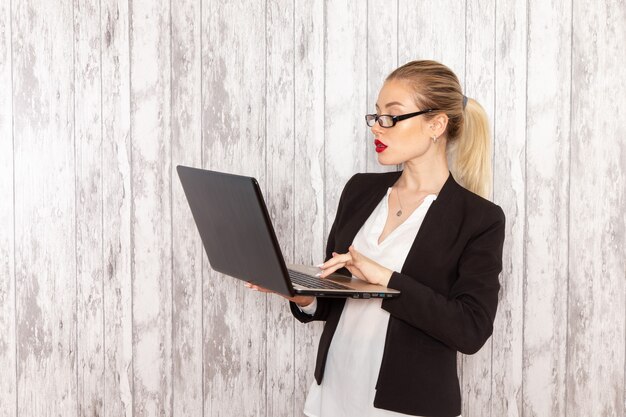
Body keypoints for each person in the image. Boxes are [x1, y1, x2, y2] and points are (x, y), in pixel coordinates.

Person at [245, 60, 505, 417]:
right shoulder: (360, 191)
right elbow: (338, 299)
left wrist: (384, 277)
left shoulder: (479, 218)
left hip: (405, 408)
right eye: (376, 115)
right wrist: (302, 294)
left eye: (392, 117)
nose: (377, 128)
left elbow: (470, 330)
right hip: (332, 395)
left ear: (436, 124)